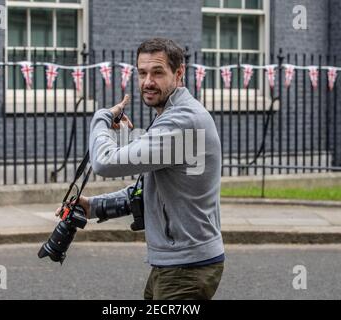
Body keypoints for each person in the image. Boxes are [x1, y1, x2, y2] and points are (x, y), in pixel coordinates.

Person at [69, 38, 224, 300]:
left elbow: (104, 162)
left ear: (179, 73)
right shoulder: (170, 115)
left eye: (157, 72)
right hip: (176, 264)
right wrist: (93, 206)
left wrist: (102, 118)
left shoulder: (182, 121)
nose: (148, 81)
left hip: (186, 269)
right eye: (142, 73)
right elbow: (151, 188)